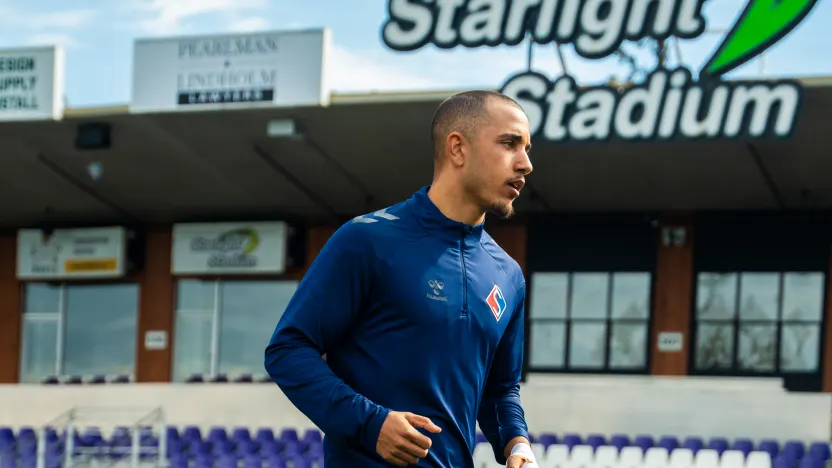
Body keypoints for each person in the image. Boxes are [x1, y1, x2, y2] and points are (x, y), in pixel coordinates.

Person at [264, 90, 536, 467]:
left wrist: (516, 444)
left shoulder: (508, 275)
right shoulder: (367, 240)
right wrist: (370, 423)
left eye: (527, 149)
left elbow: (500, 389)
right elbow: (288, 350)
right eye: (510, 144)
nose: (525, 164)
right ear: (457, 148)